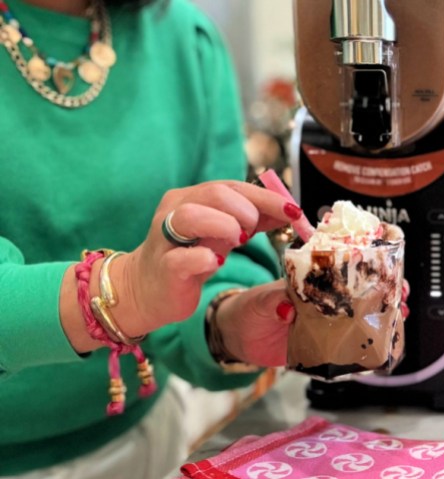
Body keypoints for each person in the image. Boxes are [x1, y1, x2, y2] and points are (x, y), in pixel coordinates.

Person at [0, 0, 301, 477]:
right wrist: (127, 292)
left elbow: (216, 251)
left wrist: (230, 323)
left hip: (147, 444)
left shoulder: (184, 39)